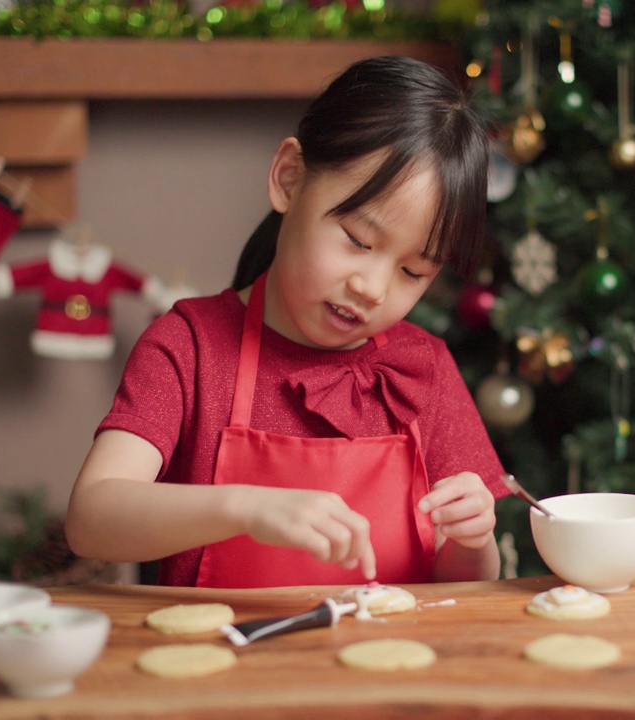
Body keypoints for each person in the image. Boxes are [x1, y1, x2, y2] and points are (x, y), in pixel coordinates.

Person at [65, 56, 509, 589]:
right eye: (357, 241)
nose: (372, 287)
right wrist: (247, 508)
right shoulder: (189, 347)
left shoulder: (426, 369)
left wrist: (472, 540)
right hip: (223, 665)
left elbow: (467, 588)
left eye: (413, 272)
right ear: (289, 179)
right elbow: (91, 519)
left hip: (384, 668)